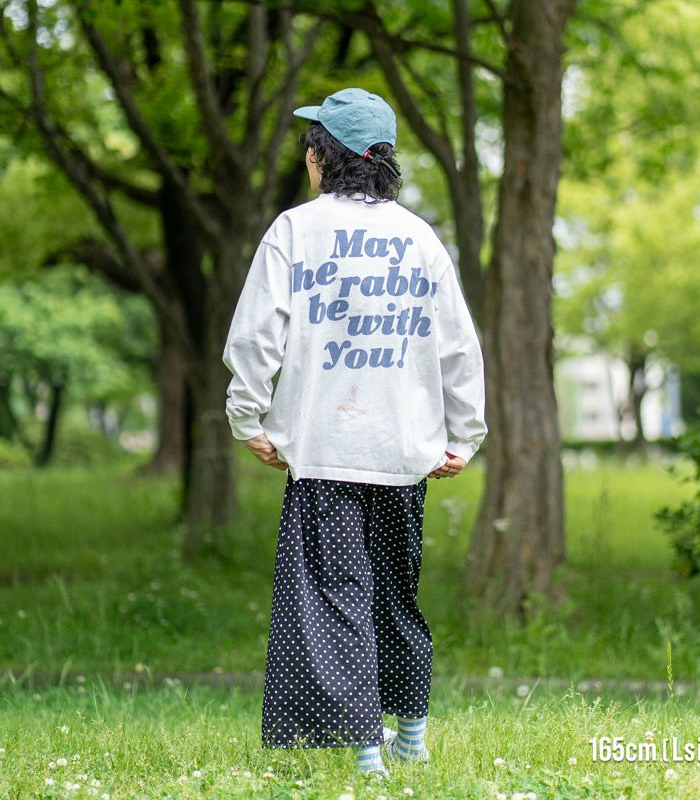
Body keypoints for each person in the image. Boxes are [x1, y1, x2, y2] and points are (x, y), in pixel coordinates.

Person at [221, 87, 487, 781]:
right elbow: (458, 348)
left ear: (321, 158)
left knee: (334, 598)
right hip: (403, 456)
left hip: (325, 453)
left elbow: (255, 338)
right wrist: (464, 436)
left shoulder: (294, 231)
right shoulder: (420, 237)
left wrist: (247, 417)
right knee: (396, 595)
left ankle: (367, 754)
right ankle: (411, 738)